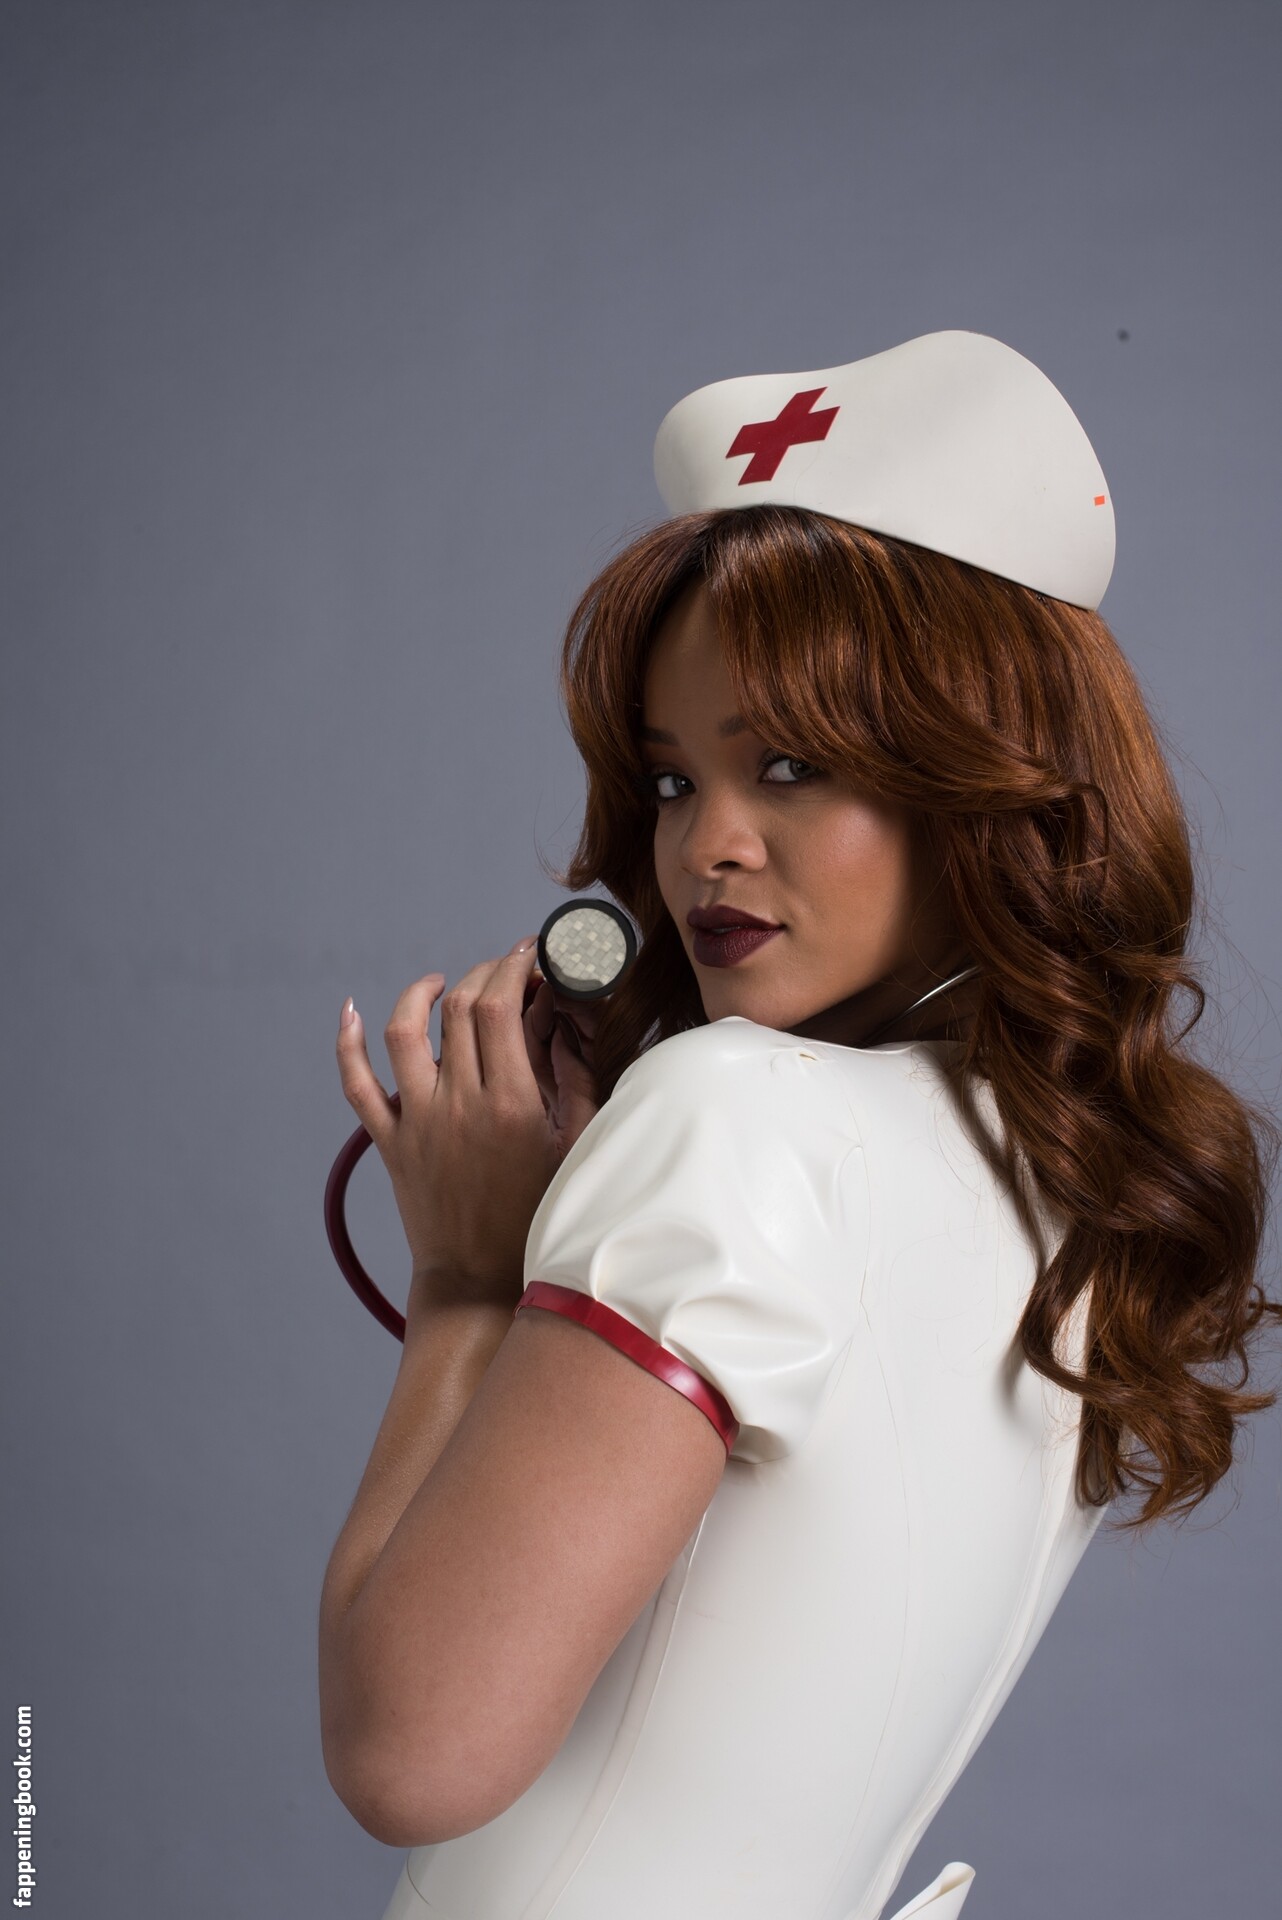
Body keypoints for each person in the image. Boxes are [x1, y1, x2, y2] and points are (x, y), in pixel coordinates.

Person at [318, 334, 1280, 1920]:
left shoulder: (725, 1115)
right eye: (669, 780)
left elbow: (409, 1756)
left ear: (985, 783)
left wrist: (467, 1282)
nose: (708, 844)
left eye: (788, 765)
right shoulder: (1072, 1186)